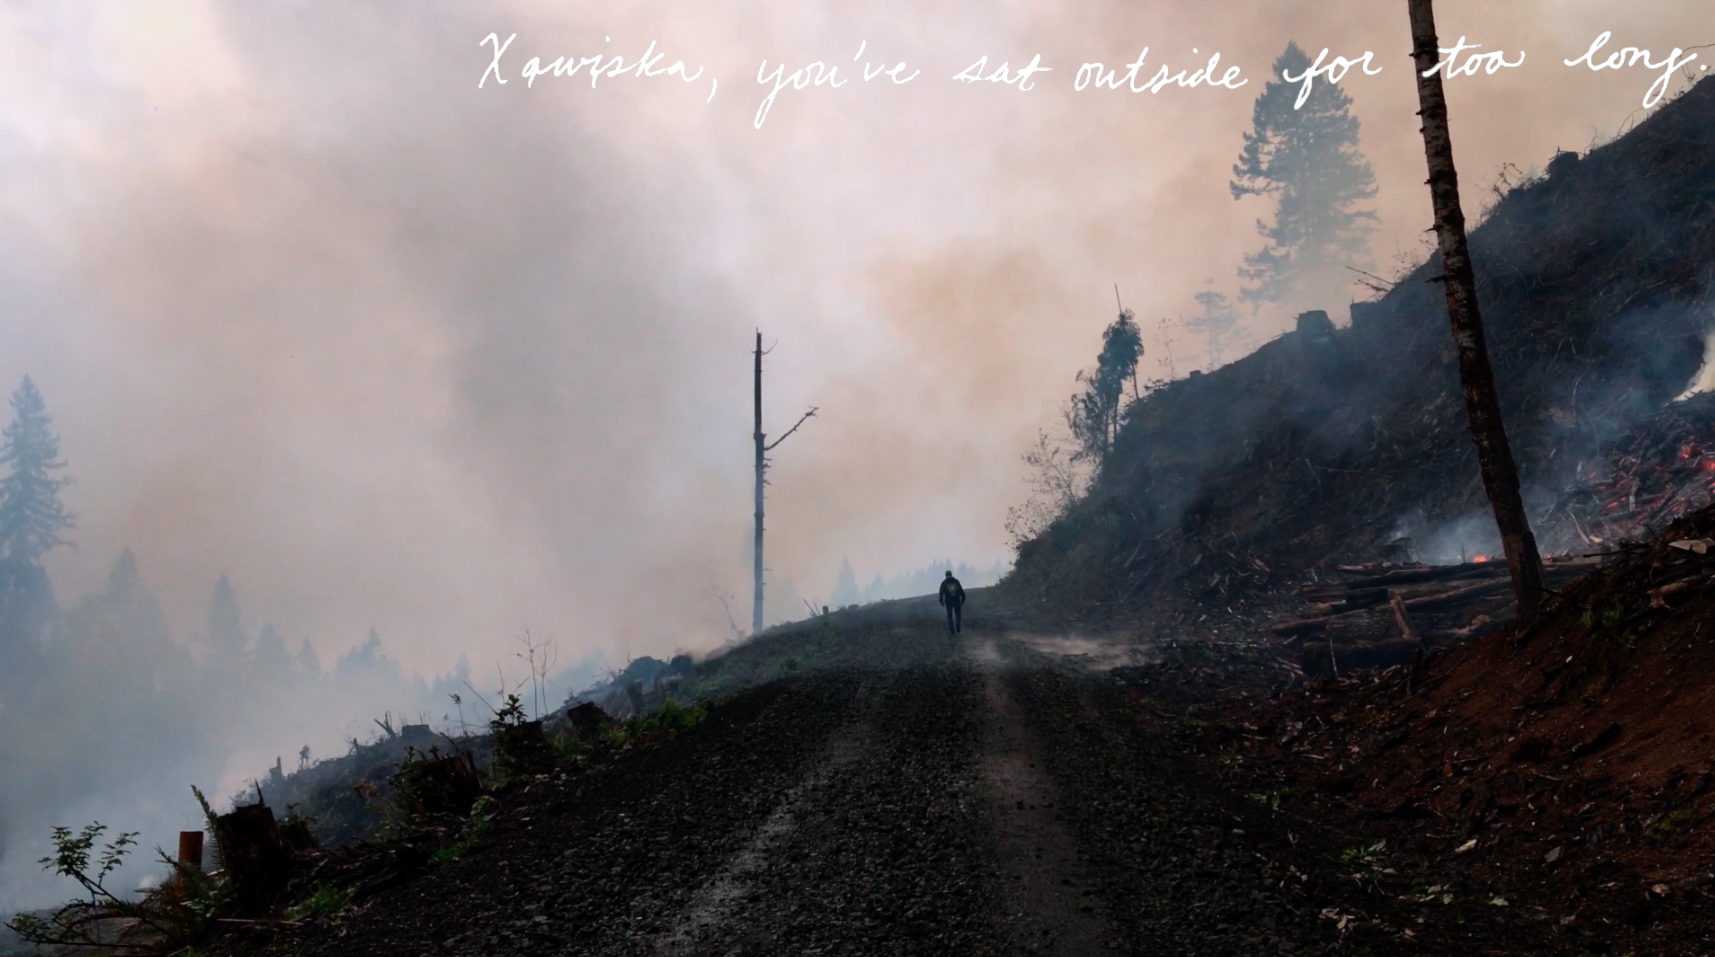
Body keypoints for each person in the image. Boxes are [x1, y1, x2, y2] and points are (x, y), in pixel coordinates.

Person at [938, 570, 966, 635]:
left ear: (945, 575)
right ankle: (957, 624)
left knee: (949, 616)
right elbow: (961, 591)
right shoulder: (956, 581)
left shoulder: (944, 583)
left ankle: (952, 631)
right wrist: (963, 600)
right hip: (957, 600)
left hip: (948, 601)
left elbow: (941, 593)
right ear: (951, 574)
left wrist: (941, 601)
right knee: (958, 614)